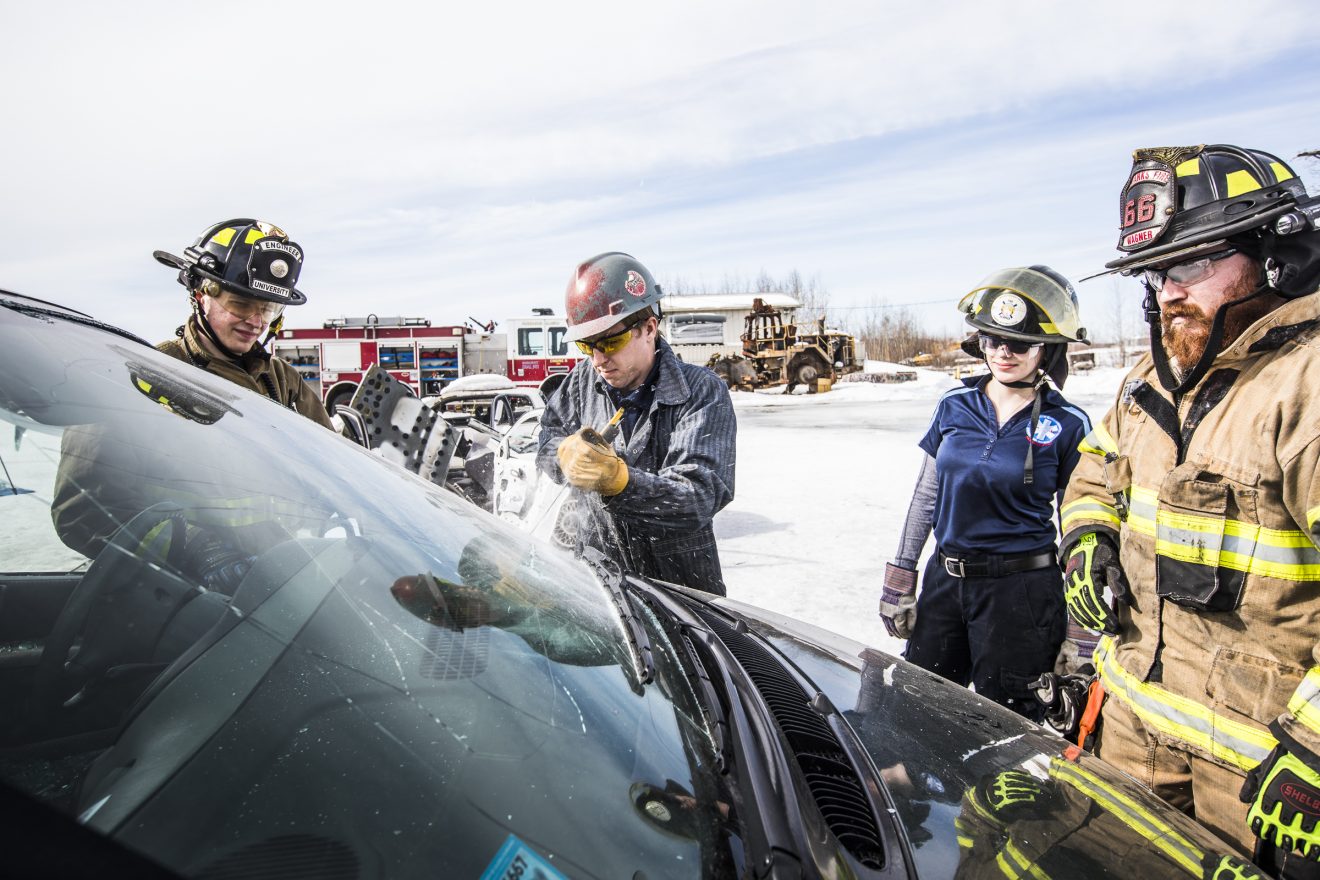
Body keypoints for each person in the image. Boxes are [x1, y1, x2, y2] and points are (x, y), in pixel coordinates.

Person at [1059, 144, 1320, 874]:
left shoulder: (1307, 387)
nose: (1167, 291)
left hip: (1261, 773)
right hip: (1133, 736)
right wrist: (1086, 538)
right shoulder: (1150, 380)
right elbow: (1094, 473)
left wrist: (1315, 749)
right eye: (1156, 272)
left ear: (1278, 254)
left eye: (1192, 265)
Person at [879, 266, 1092, 720]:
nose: (1004, 353)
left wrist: (1082, 628)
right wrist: (900, 578)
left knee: (1006, 727)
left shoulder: (1069, 424)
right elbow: (925, 496)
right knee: (916, 714)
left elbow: (1082, 526)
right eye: (994, 340)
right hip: (945, 583)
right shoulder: (955, 405)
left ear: (1048, 350)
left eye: (1020, 343)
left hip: (1021, 595)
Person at [536, 252, 736, 594]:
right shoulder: (582, 382)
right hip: (599, 589)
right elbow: (546, 441)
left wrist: (619, 481)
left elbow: (699, 496)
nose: (599, 359)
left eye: (610, 341)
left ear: (649, 328)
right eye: (587, 345)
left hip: (679, 592)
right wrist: (562, 455)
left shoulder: (702, 392)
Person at [153, 218, 333, 428]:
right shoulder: (159, 367)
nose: (256, 322)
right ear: (202, 296)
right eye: (240, 305)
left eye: (268, 310)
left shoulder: (282, 379)